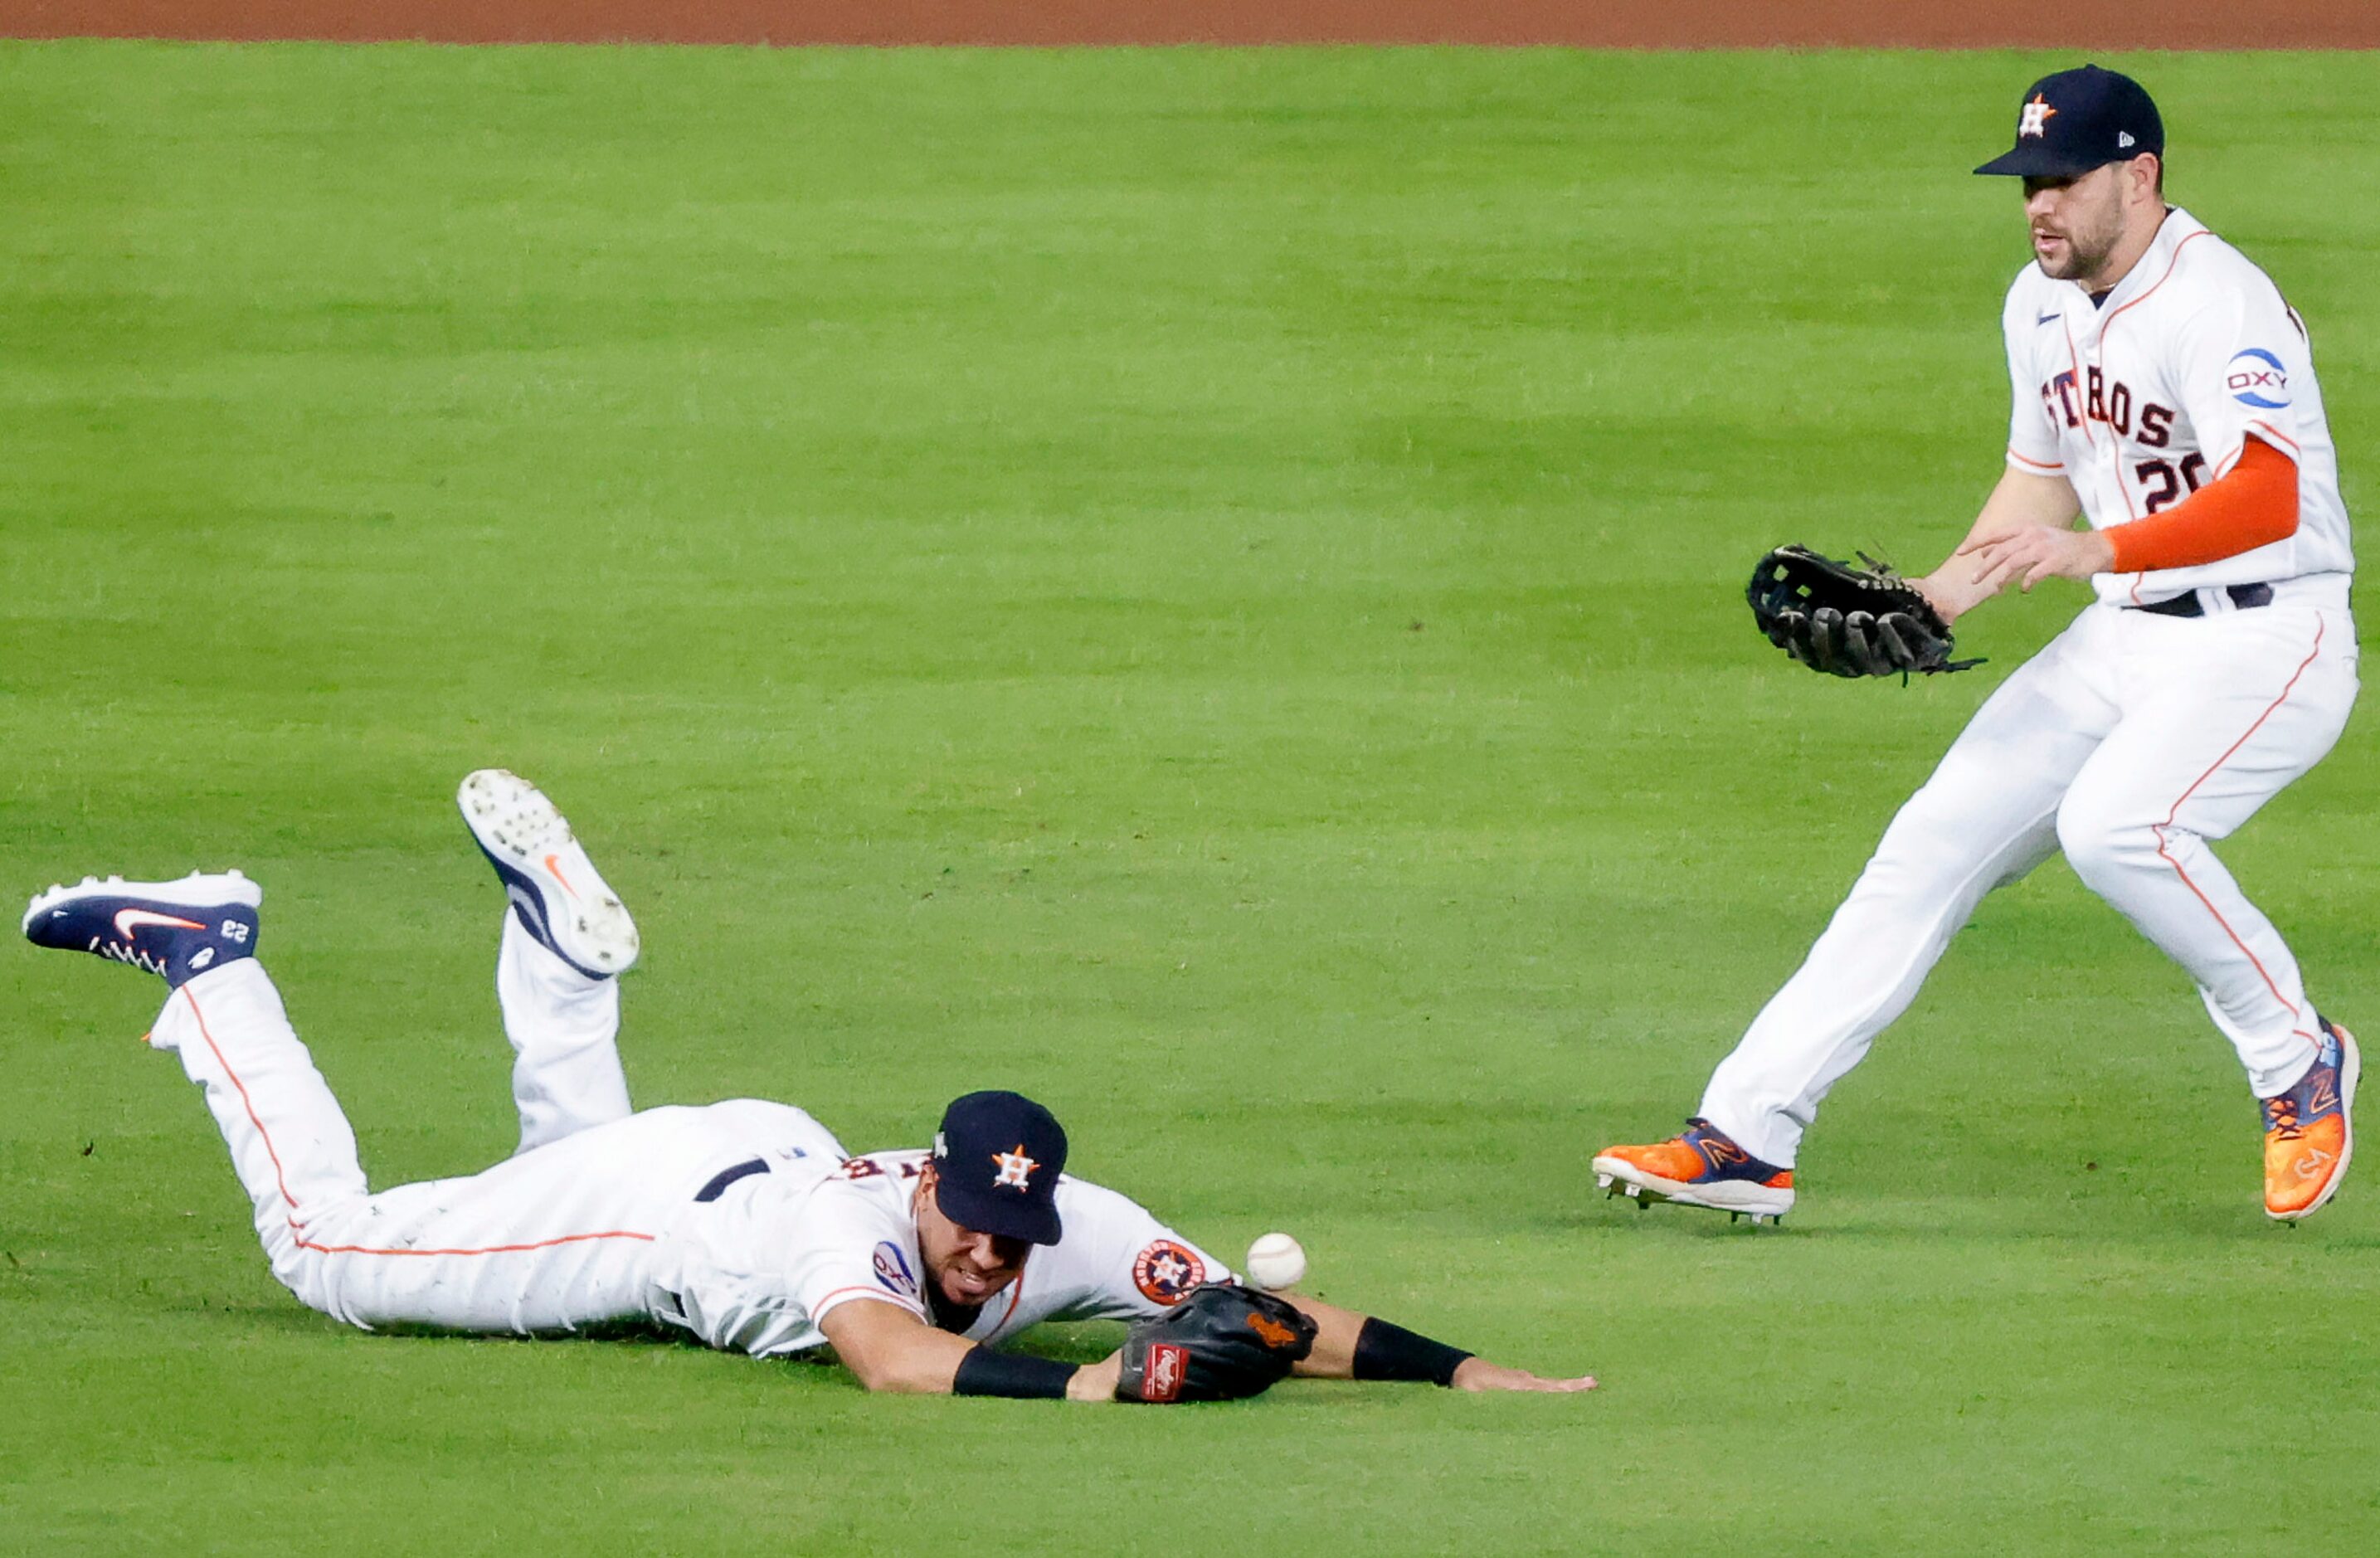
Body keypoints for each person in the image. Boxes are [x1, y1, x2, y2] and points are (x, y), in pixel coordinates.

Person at [23, 769, 1592, 1400]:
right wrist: (1102, 1385)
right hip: (674, 1221)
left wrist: (1471, 1376)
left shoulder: (1066, 1224)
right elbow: (896, 1365)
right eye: (972, 1219)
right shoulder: (862, 1253)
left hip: (743, 1140)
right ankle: (208, 955)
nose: (989, 1249)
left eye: (1008, 1232)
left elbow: (1254, 1310)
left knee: (565, 1138)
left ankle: (567, 966)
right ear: (933, 1181)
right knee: (330, 1252)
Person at [1595, 64, 2358, 1225]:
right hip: (2123, 637)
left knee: (2118, 828)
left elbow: (2266, 495)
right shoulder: (2037, 301)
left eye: (2061, 180)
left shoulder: (2219, 300)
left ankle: (2294, 1058)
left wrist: (2105, 552)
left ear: (2139, 176)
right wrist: (1936, 597)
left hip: (2268, 635)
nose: (2037, 205)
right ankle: (1746, 1136)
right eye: (2025, 183)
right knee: (1925, 846)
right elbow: (2039, 483)